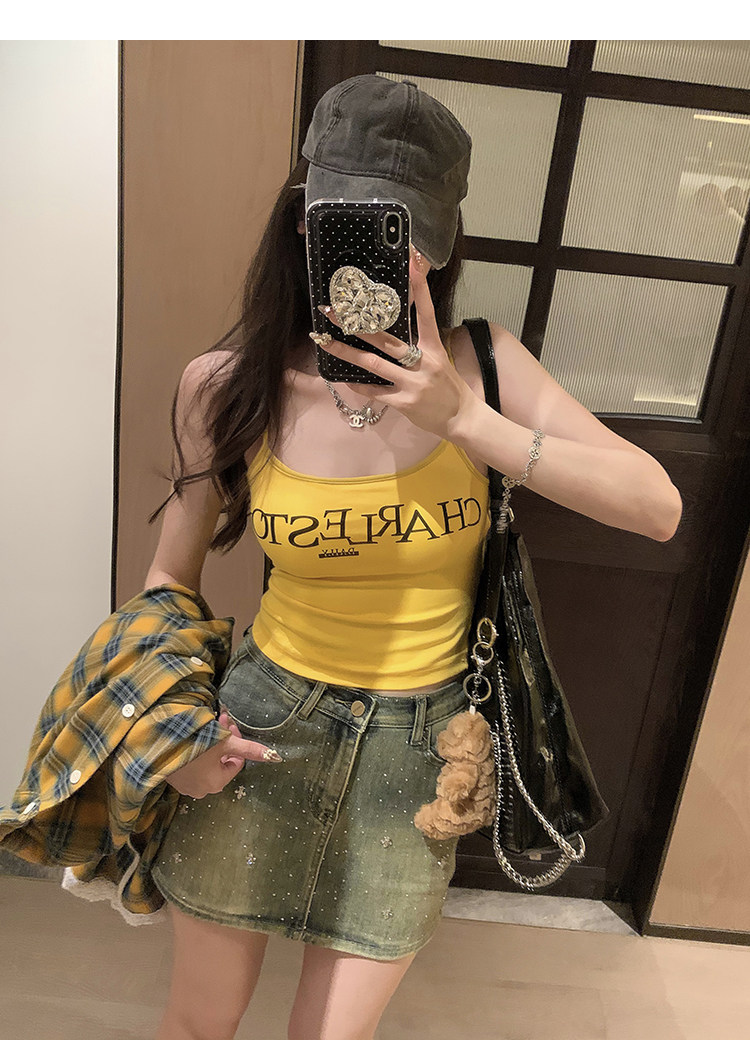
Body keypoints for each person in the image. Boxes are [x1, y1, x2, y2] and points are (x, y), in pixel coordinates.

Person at [144, 74, 682, 1040]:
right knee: (199, 1023)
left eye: (410, 234)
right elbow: (167, 582)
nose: (397, 260)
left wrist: (468, 421)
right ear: (305, 221)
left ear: (442, 241)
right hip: (260, 727)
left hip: (419, 752)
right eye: (357, 224)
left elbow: (658, 507)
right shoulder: (223, 386)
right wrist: (172, 729)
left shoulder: (487, 366)